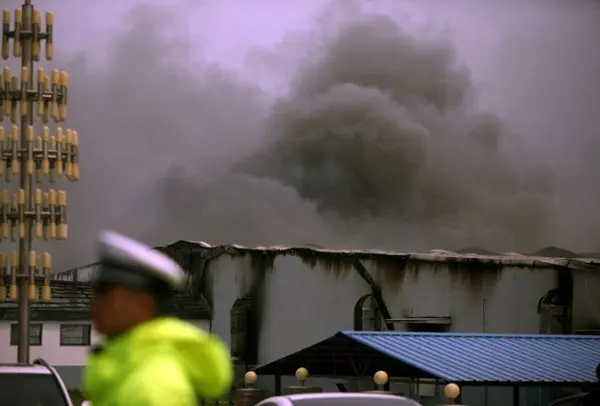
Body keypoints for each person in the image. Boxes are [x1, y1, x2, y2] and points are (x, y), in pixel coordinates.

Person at [83, 230, 233, 406]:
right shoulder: (130, 370)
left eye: (106, 294)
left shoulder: (152, 388)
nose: (95, 302)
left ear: (143, 305)